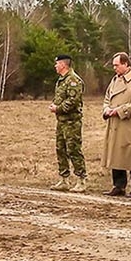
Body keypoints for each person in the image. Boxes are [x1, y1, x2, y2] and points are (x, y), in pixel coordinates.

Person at [102, 51, 131, 198]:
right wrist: (107, 110)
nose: (114, 68)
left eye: (117, 65)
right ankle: (118, 186)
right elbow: (107, 98)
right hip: (115, 124)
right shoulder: (114, 80)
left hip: (130, 124)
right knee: (116, 154)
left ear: (125, 64)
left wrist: (120, 111)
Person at [48, 54, 86, 192]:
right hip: (61, 121)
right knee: (61, 149)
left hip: (72, 122)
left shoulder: (73, 80)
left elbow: (73, 100)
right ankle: (64, 179)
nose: (55, 66)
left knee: (73, 150)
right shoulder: (61, 80)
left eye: (57, 63)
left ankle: (81, 180)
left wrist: (58, 108)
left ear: (63, 64)